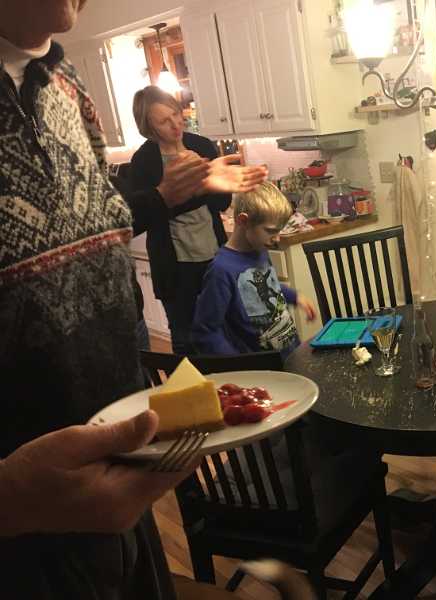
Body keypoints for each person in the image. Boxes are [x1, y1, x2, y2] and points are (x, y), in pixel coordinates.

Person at [0, 0, 266, 595]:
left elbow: (103, 221)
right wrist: (8, 501)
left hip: (122, 457)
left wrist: (168, 197)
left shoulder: (67, 83)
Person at [130, 85, 236, 355]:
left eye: (176, 114)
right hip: (175, 268)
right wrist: (199, 190)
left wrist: (208, 186)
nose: (176, 124)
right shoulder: (143, 161)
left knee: (225, 332)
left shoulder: (202, 146)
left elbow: (222, 202)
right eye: (163, 121)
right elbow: (145, 216)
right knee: (185, 339)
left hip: (214, 257)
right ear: (148, 127)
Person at [192, 182, 315, 359]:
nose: (277, 238)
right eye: (271, 231)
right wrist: (240, 364)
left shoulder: (260, 249)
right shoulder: (221, 270)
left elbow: (268, 286)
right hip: (261, 367)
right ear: (243, 221)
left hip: (289, 353)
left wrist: (295, 297)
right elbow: (205, 331)